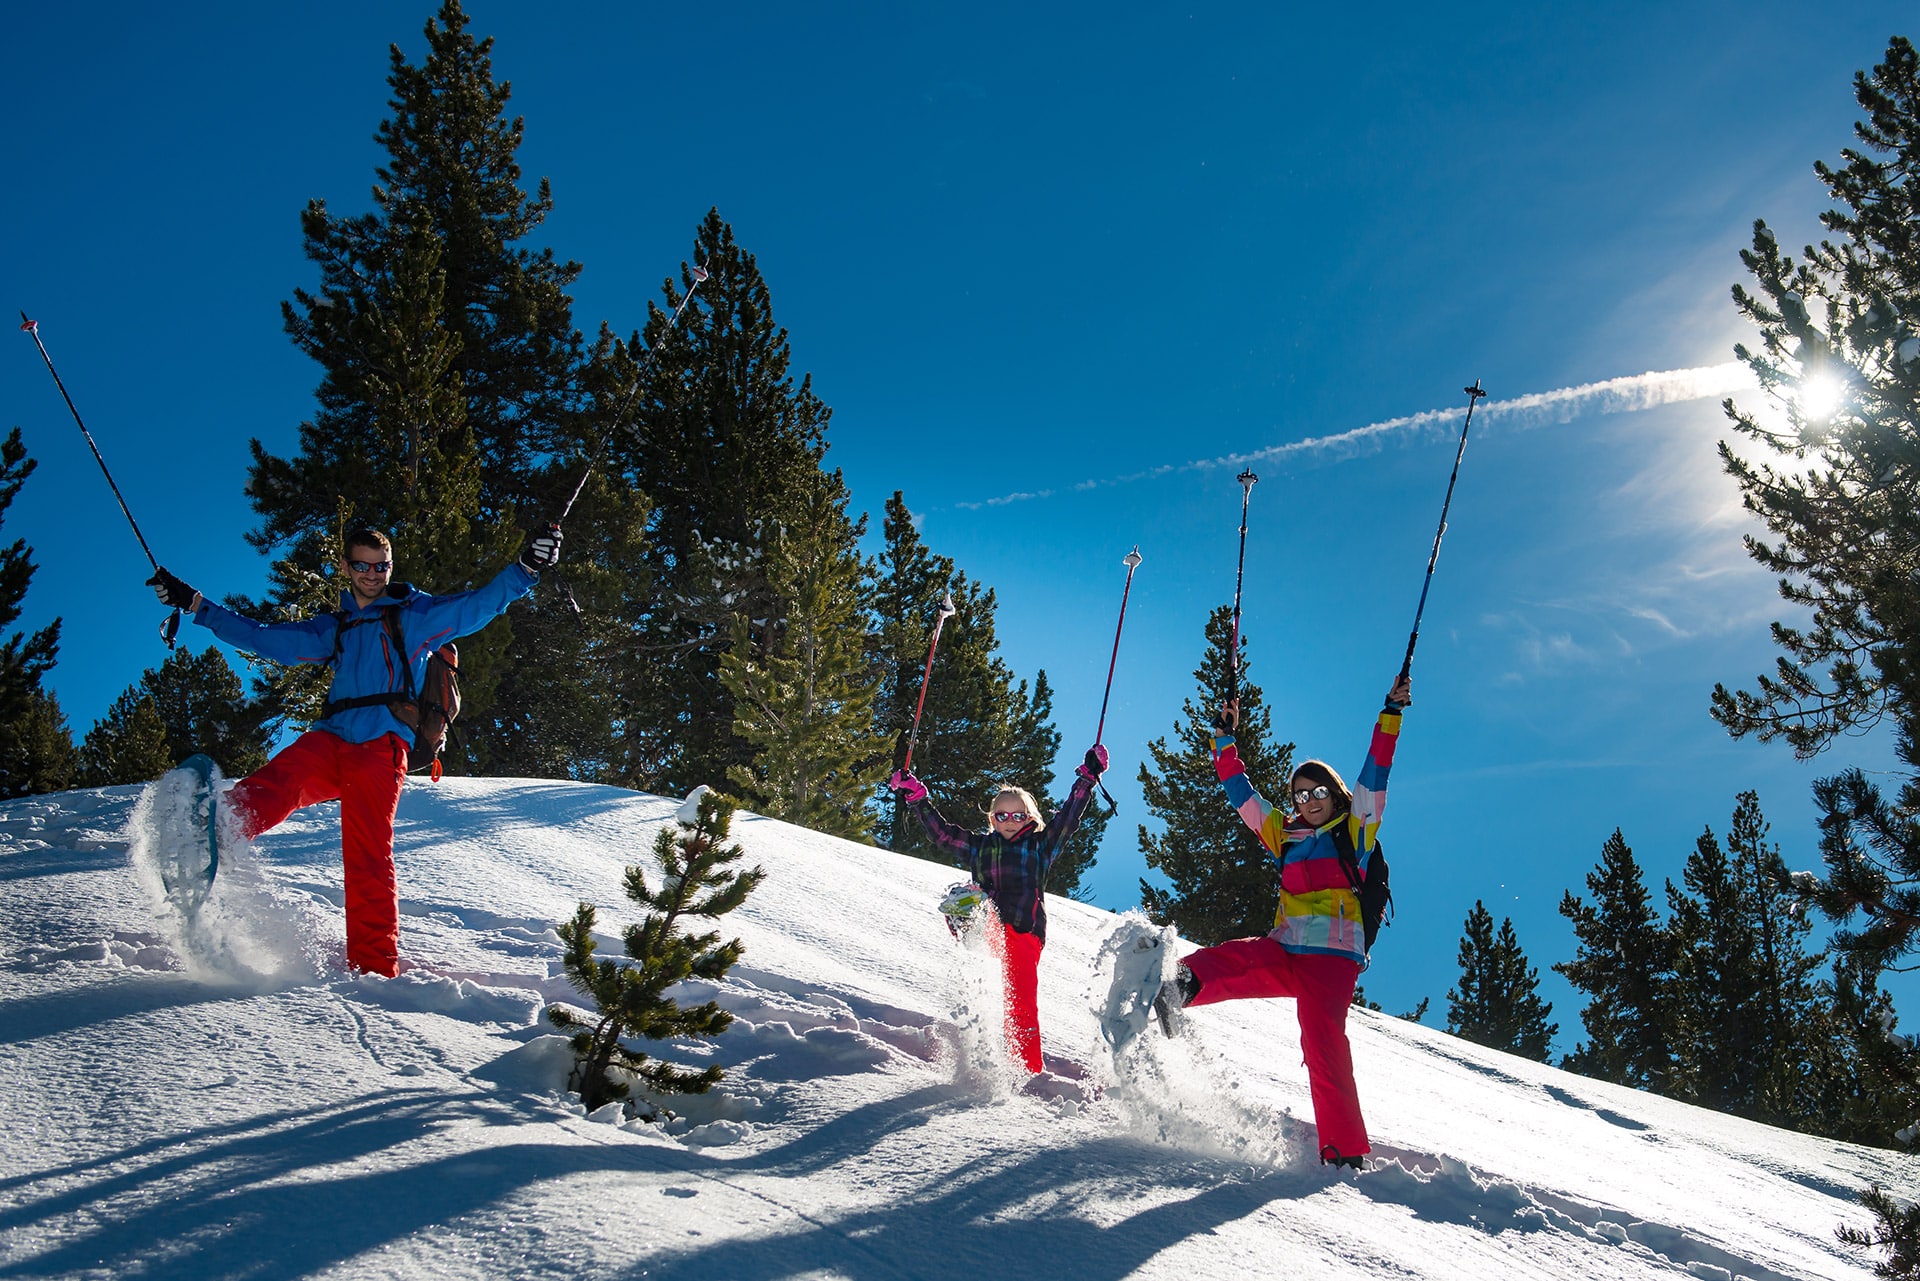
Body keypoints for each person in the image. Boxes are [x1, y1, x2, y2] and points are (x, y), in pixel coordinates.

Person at [144, 524, 561, 977]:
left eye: (380, 566)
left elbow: (476, 606)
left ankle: (375, 970)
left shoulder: (413, 614)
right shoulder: (336, 626)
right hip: (333, 738)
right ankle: (212, 832)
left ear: (390, 567)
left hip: (382, 746)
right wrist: (196, 605)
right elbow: (265, 637)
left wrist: (526, 568)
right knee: (281, 781)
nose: (371, 574)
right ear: (345, 566)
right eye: (361, 565)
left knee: (366, 852)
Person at [1155, 673, 1410, 1170]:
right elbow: (1243, 797)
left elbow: (1375, 775)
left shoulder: (1354, 832)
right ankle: (1174, 988)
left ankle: (1344, 1151)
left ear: (1335, 796)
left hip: (1332, 958)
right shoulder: (1285, 835)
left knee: (1322, 1043)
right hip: (1286, 946)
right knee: (1235, 958)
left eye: (1317, 792)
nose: (1307, 801)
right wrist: (1224, 739)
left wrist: (1390, 716)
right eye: (1299, 794)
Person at [887, 749, 1105, 1074]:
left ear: (1030, 819)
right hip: (989, 927)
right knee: (969, 897)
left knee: (1020, 1003)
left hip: (1022, 932)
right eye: (1001, 816)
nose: (1009, 821)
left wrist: (1087, 779)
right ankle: (968, 918)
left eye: (1018, 816)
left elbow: (1068, 820)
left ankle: (1026, 1069)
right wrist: (917, 798)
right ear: (992, 820)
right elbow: (943, 835)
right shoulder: (981, 847)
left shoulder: (1040, 847)